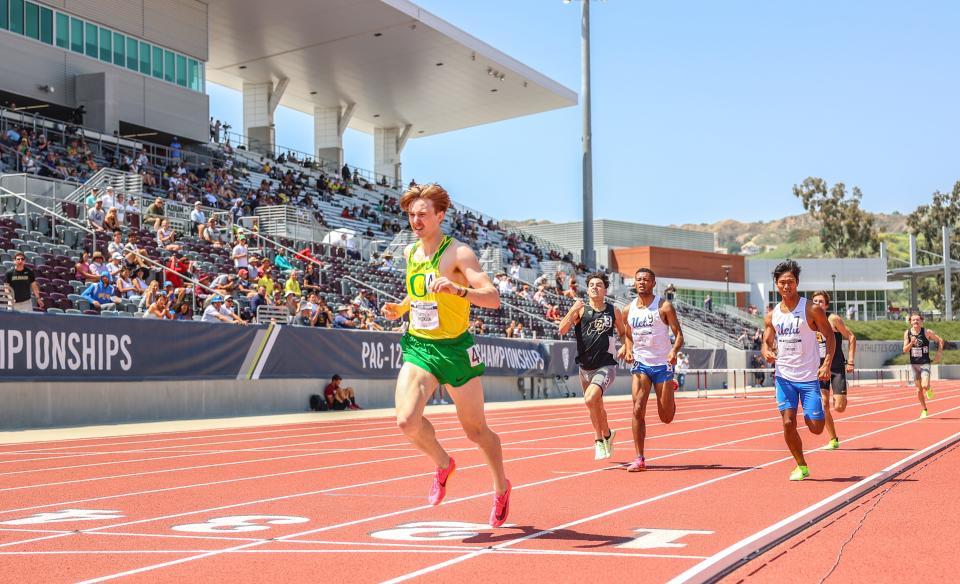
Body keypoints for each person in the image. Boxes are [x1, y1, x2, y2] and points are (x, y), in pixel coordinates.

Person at [380, 183, 511, 528]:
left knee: (477, 432)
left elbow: (493, 297)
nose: (416, 220)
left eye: (423, 213)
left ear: (440, 215)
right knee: (406, 420)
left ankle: (501, 487)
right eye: (411, 214)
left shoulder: (459, 254)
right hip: (420, 345)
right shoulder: (411, 253)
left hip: (455, 350)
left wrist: (458, 289)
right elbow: (418, 291)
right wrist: (402, 307)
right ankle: (442, 463)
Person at [761, 260, 833, 481]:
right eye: (782, 282)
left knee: (816, 428)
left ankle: (815, 409)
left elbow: (829, 337)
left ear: (797, 283)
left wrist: (827, 362)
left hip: (809, 377)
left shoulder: (811, 309)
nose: (786, 286)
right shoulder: (772, 314)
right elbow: (767, 339)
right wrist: (765, 349)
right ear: (776, 284)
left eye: (790, 282)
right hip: (784, 377)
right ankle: (801, 465)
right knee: (788, 422)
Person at [557, 272, 626, 461]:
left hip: (606, 366)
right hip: (585, 368)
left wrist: (626, 346)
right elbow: (562, 329)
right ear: (587, 290)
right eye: (592, 285)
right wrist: (573, 310)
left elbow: (623, 332)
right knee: (595, 406)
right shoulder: (580, 310)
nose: (595, 287)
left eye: (599, 285)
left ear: (605, 290)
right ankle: (608, 435)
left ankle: (597, 440)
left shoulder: (614, 311)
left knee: (590, 399)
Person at [621, 268, 684, 472]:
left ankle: (670, 389)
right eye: (638, 280)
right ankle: (639, 458)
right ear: (634, 283)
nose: (642, 283)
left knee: (666, 418)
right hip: (641, 364)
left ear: (653, 283)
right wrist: (628, 349)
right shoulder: (627, 310)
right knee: (637, 409)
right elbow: (627, 335)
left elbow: (679, 334)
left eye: (646, 280)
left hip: (662, 364)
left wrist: (674, 350)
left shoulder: (664, 307)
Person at [811, 291, 857, 450]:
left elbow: (851, 337)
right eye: (815, 301)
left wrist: (850, 360)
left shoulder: (833, 319)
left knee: (839, 407)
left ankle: (841, 395)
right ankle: (833, 439)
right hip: (820, 368)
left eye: (821, 301)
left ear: (826, 304)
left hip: (836, 367)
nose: (817, 303)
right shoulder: (810, 321)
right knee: (824, 404)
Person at [903, 312, 943, 419]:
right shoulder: (907, 333)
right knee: (918, 390)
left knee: (924, 385)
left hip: (925, 362)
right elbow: (905, 350)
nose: (916, 321)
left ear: (921, 321)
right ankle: (924, 409)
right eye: (913, 320)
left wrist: (939, 353)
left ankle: (928, 389)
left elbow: (940, 341)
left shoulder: (927, 332)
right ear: (910, 322)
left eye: (918, 320)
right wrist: (911, 343)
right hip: (914, 364)